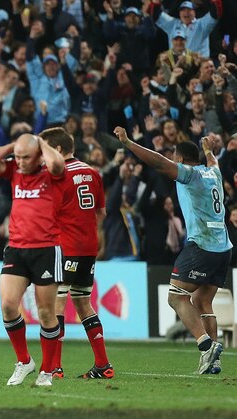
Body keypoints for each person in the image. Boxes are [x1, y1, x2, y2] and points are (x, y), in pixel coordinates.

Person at [113, 127, 231, 374]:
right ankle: (213, 361)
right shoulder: (214, 172)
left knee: (175, 296)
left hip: (202, 245)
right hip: (223, 247)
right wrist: (208, 149)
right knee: (202, 300)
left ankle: (206, 345)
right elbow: (213, 160)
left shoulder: (190, 175)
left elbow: (158, 163)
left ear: (179, 159)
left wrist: (128, 143)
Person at [0, 133, 65, 387]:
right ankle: (25, 361)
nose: (21, 162)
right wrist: (14, 147)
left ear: (39, 154)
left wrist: (41, 144)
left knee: (46, 311)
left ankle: (47, 371)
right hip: (16, 247)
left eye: (26, 157)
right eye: (17, 157)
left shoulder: (52, 173)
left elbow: (58, 164)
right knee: (7, 305)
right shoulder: (15, 170)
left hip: (47, 249)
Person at [39, 127, 114, 379]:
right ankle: (103, 365)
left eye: (46, 151)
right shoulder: (93, 172)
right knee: (83, 302)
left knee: (56, 304)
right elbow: (101, 213)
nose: (43, 157)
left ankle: (54, 367)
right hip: (88, 247)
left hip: (65, 247)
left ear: (58, 150)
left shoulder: (58, 175)